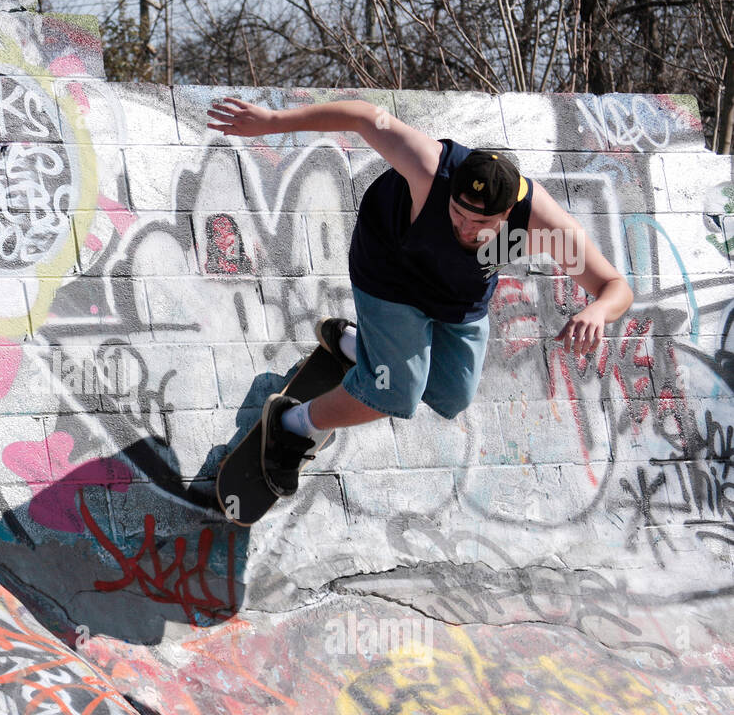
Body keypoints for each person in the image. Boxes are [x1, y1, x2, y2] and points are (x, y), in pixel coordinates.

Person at [206, 97, 634, 496]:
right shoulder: (430, 168)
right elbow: (363, 116)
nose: (464, 229)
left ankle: (358, 347)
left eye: (479, 224)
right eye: (458, 213)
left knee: (452, 395)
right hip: (390, 274)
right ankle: (292, 423)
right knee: (396, 395)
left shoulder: (542, 222)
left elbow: (616, 288)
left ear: (508, 214)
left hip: (458, 297)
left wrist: (597, 310)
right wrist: (274, 122)